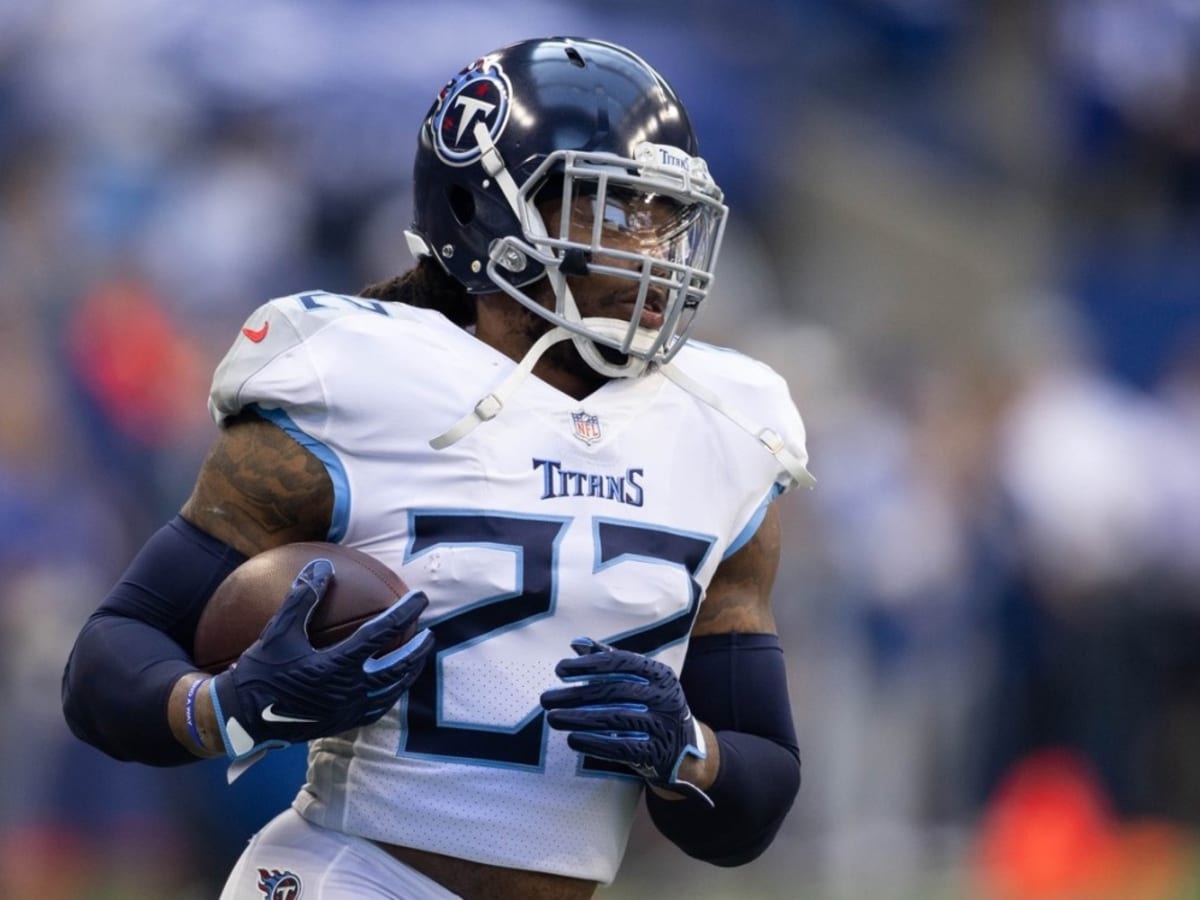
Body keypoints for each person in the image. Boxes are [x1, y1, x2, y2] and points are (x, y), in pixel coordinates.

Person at [62, 36, 814, 899]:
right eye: (610, 207)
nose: (648, 245)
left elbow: (751, 807)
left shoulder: (721, 425)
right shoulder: (358, 382)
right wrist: (227, 706)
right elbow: (106, 660)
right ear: (487, 213)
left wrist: (689, 751)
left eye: (660, 212)